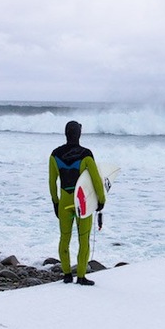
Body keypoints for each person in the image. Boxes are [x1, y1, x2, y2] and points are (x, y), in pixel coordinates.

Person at [49, 120, 105, 285]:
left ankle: (66, 274)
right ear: (79, 134)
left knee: (64, 238)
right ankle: (81, 276)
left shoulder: (55, 154)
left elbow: (52, 182)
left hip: (65, 201)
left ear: (66, 133)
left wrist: (55, 202)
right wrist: (101, 200)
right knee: (83, 239)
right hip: (82, 202)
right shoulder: (86, 154)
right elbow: (95, 180)